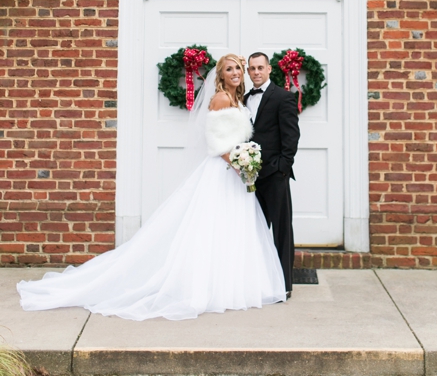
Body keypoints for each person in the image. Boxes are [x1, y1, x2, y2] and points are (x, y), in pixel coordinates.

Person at [18, 55, 287, 320]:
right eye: (230, 69)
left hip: (235, 176)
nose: (236, 73)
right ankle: (207, 286)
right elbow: (215, 142)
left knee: (232, 229)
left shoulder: (237, 99)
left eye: (238, 68)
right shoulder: (220, 98)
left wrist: (244, 161)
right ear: (221, 75)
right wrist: (239, 162)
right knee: (210, 229)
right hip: (223, 172)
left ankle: (232, 285)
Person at [245, 52, 301, 297]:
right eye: (252, 68)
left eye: (260, 67)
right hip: (250, 176)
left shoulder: (283, 97)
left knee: (281, 230)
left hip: (275, 175)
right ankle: (257, 280)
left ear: (269, 69)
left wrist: (282, 167)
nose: (256, 72)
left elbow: (291, 136)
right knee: (254, 229)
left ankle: (284, 285)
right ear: (248, 72)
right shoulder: (245, 98)